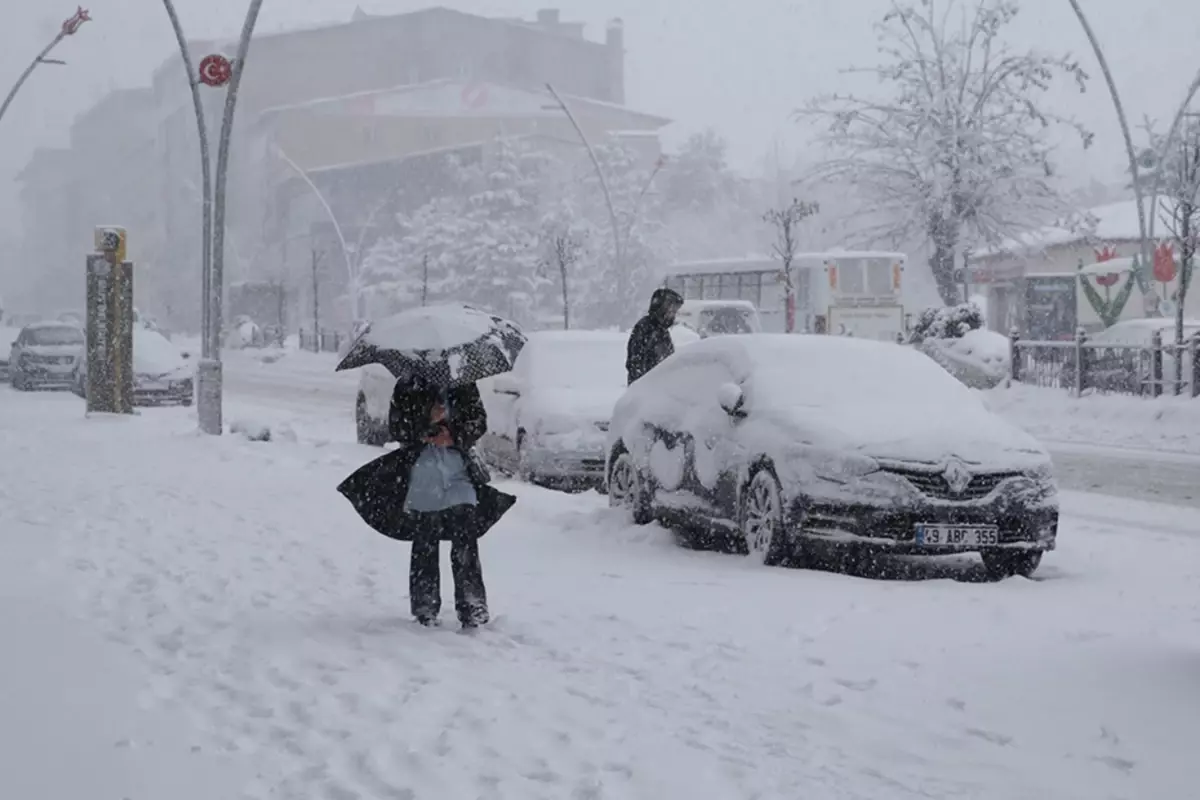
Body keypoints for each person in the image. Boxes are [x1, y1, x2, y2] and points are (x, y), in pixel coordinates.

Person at [389, 377, 493, 629]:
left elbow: (479, 423)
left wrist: (453, 435)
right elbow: (396, 428)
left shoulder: (464, 384)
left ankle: (472, 604)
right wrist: (427, 421)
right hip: (422, 475)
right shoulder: (407, 384)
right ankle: (425, 605)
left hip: (458, 473)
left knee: (465, 539)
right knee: (425, 540)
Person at [626, 287, 683, 384]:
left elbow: (667, 359)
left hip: (660, 387)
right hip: (647, 389)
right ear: (661, 308)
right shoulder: (645, 328)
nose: (673, 315)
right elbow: (635, 364)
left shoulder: (662, 331)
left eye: (675, 312)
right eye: (671, 311)